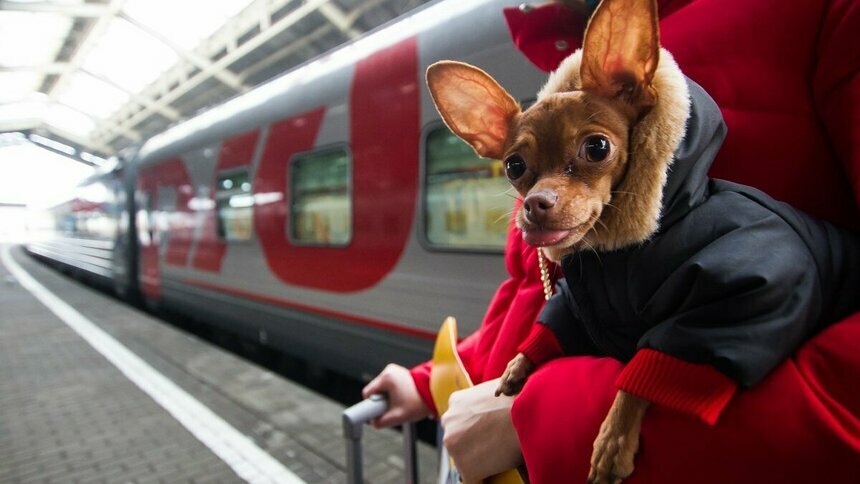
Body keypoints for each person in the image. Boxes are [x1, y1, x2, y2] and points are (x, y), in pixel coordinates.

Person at [363, 0, 860, 482]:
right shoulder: (560, 91)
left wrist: (550, 422)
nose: (535, 193)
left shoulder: (816, 14)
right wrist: (431, 383)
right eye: (517, 169)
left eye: (595, 149)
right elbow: (544, 290)